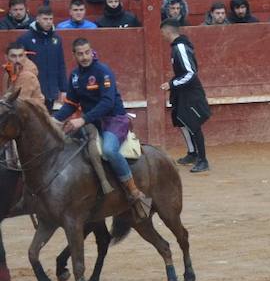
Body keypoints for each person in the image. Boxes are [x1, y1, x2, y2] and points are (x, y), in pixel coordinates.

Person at [52, 38, 152, 220]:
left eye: (86, 52)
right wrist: (53, 120)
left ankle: (133, 190)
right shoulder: (74, 76)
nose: (84, 57)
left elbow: (108, 103)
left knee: (109, 150)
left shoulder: (102, 72)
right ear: (74, 55)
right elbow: (71, 104)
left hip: (113, 119)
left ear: (92, 52)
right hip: (92, 121)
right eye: (80, 54)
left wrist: (82, 120)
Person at [159, 18, 210, 173]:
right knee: (182, 121)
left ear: (168, 31)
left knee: (193, 124)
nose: (162, 35)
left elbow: (190, 73)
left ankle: (203, 160)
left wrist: (172, 84)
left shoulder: (180, 47)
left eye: (162, 32)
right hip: (183, 91)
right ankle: (192, 153)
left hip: (191, 92)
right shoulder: (177, 46)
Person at [17, 5, 64, 110]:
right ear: (37, 18)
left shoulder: (57, 39)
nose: (48, 22)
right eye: (45, 19)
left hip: (52, 90)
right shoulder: (25, 39)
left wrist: (63, 89)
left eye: (51, 19)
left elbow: (60, 64)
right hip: (32, 90)